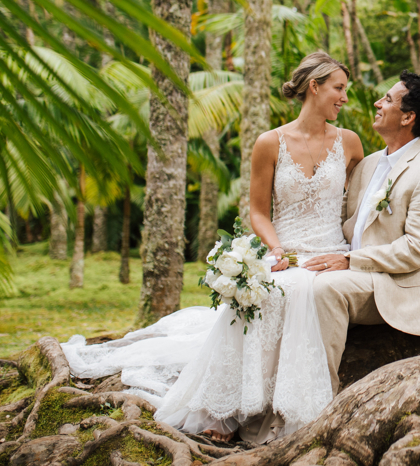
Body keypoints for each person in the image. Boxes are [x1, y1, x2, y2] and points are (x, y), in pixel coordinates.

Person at [62, 52, 365, 444]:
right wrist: (274, 251)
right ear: (315, 86)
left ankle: (289, 410)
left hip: (327, 251)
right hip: (283, 250)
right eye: (339, 88)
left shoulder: (351, 144)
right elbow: (258, 212)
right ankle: (225, 411)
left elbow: (362, 204)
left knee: (303, 289)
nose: (344, 98)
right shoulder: (269, 143)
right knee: (261, 294)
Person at [304, 71, 420, 394]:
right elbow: (342, 223)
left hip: (395, 285)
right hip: (356, 271)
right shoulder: (368, 165)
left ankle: (319, 398)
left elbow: (417, 249)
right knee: (297, 281)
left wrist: (350, 261)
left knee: (326, 289)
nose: (377, 102)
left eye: (387, 99)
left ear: (408, 117)